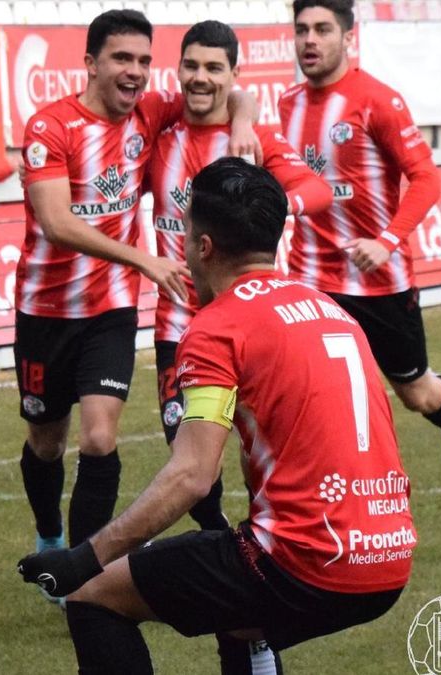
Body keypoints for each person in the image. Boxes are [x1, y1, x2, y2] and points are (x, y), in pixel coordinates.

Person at [18, 157, 417, 674]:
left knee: (94, 593)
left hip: (308, 560)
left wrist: (81, 559)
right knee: (238, 609)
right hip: (388, 554)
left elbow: (192, 473)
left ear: (203, 248)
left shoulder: (217, 327)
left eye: (185, 236)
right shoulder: (330, 309)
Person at [15, 8, 261, 608]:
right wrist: (142, 259)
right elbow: (53, 221)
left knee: (100, 439)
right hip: (45, 309)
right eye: (122, 59)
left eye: (145, 61)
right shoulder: (49, 128)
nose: (135, 72)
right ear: (91, 63)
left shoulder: (151, 114)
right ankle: (49, 530)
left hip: (111, 309)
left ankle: (81, 573)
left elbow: (228, 86)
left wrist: (247, 119)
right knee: (47, 442)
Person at [146, 19, 334, 671]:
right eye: (191, 65)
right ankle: (238, 591)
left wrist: (268, 203)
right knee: (192, 466)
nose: (200, 77)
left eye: (214, 69)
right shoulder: (158, 125)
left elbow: (316, 188)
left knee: (253, 462)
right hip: (179, 332)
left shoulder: (252, 139)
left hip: (251, 329)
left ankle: (249, 609)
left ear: (233, 75)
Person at [279, 0, 441, 489]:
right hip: (310, 281)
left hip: (379, 283)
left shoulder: (378, 100)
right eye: (302, 29)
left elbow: (426, 179)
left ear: (348, 37)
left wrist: (388, 241)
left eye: (322, 29)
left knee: (416, 394)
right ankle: (328, 495)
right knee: (311, 394)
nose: (310, 39)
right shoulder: (288, 102)